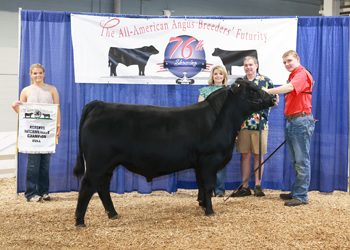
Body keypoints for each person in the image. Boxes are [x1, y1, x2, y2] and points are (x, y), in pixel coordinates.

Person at [264, 50, 315, 206]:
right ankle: (296, 191)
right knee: (295, 160)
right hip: (293, 121)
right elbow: (292, 92)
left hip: (300, 121)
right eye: (284, 62)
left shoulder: (302, 73)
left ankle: (301, 196)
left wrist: (267, 91)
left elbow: (289, 88)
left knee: (301, 160)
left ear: (297, 59)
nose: (287, 64)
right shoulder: (294, 74)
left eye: (289, 61)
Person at [12, 63, 61, 202]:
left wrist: (58, 126)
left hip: (47, 132)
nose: (38, 76)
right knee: (33, 164)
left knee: (45, 164)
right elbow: (22, 113)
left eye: (40, 73)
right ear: (31, 75)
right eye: (35, 73)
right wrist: (13, 106)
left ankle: (44, 191)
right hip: (32, 133)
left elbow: (57, 109)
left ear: (44, 74)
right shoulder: (26, 91)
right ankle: (30, 193)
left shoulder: (52, 90)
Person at [233, 56, 278, 197]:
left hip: (260, 124)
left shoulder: (265, 81)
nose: (248, 67)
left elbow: (275, 100)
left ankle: (258, 185)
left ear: (256, 65)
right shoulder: (240, 83)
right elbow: (233, 104)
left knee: (259, 155)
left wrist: (263, 105)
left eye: (251, 64)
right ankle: (244, 187)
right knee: (245, 155)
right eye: (246, 65)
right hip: (243, 124)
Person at [198, 65, 228, 197]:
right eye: (215, 74)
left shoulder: (228, 91)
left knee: (221, 159)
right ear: (212, 76)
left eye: (220, 74)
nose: (218, 76)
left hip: (223, 130)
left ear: (224, 76)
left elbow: (230, 112)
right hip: (207, 130)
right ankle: (207, 189)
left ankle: (220, 190)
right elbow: (200, 110)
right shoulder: (204, 91)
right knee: (206, 160)